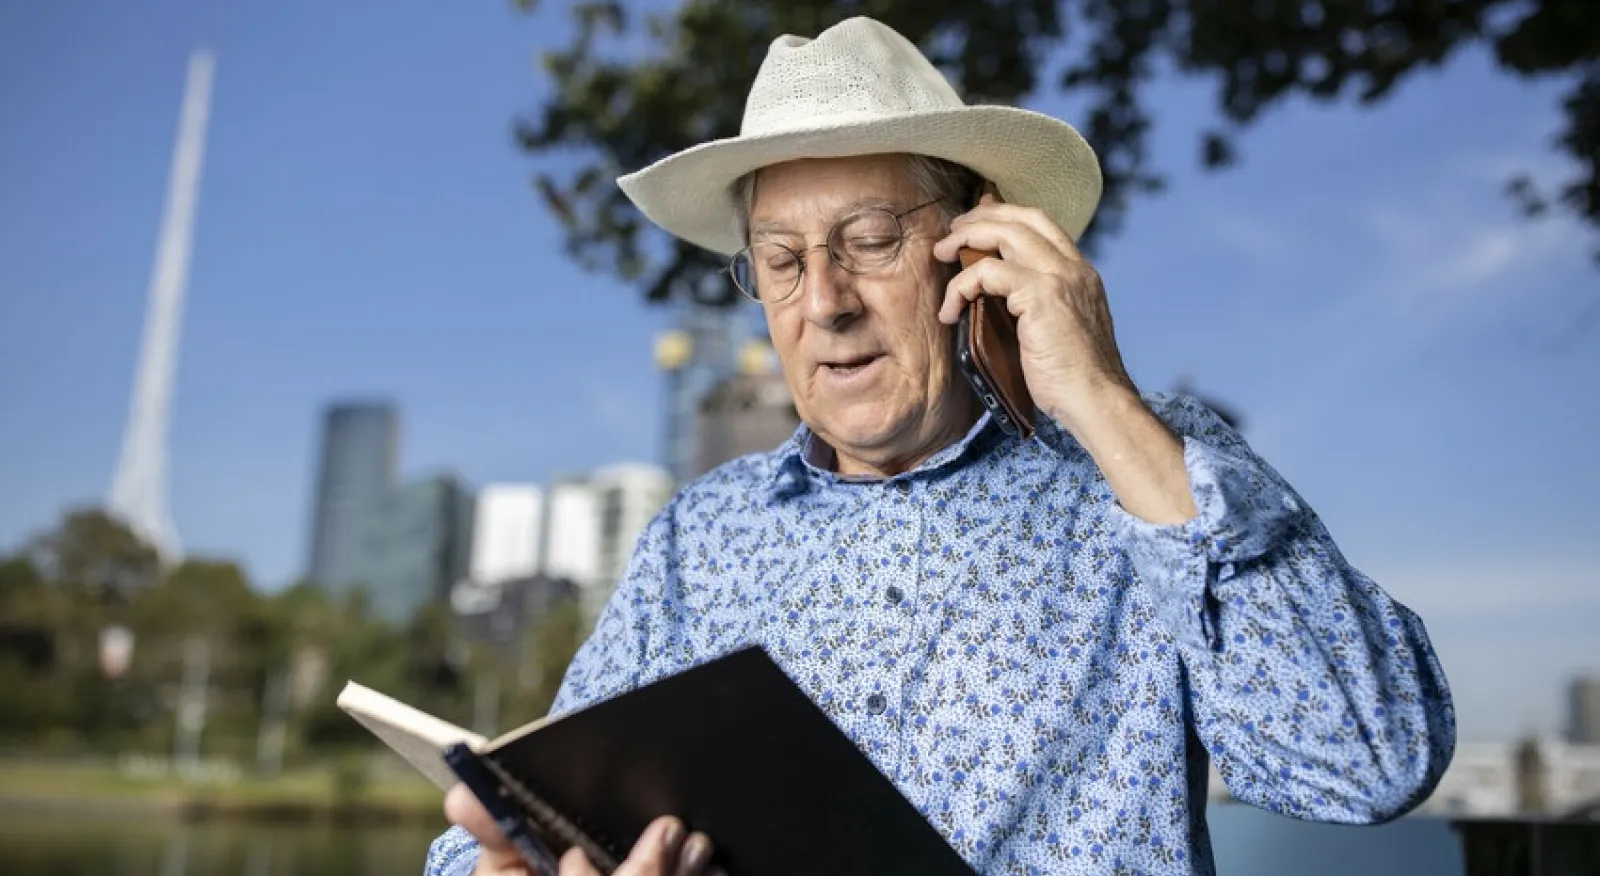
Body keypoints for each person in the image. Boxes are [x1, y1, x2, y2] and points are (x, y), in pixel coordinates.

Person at [427, 16, 1455, 876]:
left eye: (869, 240)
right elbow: (520, 809)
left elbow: (1366, 762)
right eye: (780, 262)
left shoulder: (1146, 464)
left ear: (973, 249)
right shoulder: (699, 534)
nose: (823, 303)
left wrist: (1097, 397)